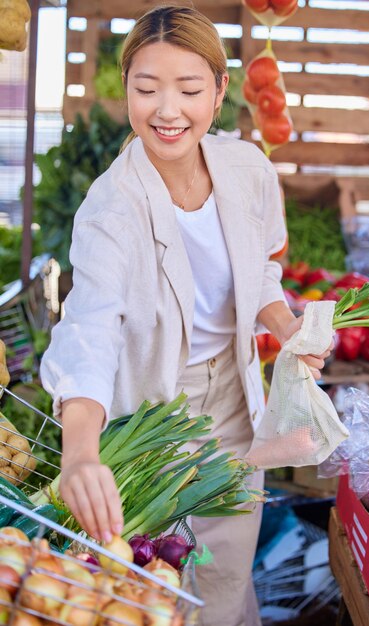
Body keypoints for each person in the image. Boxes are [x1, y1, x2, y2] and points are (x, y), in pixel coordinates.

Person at [40, 6, 332, 626]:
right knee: (163, 576)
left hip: (234, 386)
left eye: (189, 90)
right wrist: (80, 451)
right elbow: (88, 329)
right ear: (127, 91)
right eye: (146, 90)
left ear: (221, 91)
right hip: (156, 403)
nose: (167, 111)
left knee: (227, 566)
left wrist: (285, 327)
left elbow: (259, 270)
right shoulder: (110, 209)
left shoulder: (247, 170)